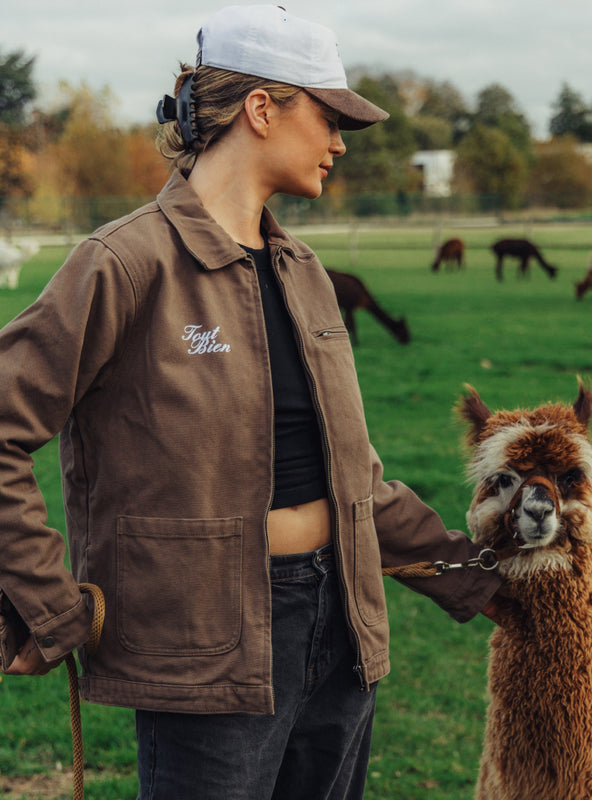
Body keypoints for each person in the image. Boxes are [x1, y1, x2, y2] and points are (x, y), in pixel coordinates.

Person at [0, 6, 503, 799]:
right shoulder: (123, 265)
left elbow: (353, 481)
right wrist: (45, 600)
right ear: (263, 109)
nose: (340, 141)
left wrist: (486, 578)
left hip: (343, 634)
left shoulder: (304, 272)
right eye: (330, 116)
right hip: (204, 650)